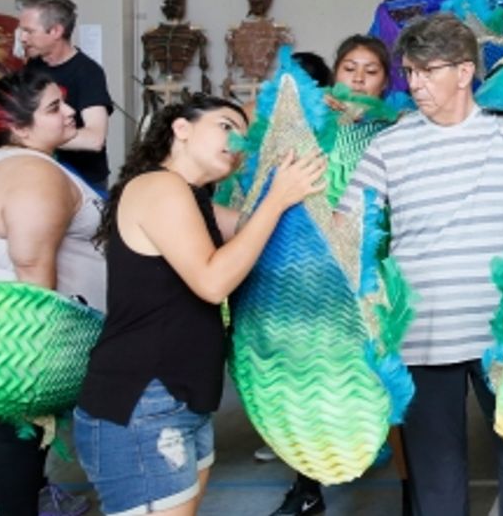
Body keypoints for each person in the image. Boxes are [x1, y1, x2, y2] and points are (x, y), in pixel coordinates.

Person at [338, 13, 503, 516]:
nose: (415, 84)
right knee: (436, 485)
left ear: (464, 72)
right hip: (420, 333)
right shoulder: (387, 145)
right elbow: (345, 229)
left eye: (426, 71)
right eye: (409, 73)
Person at [72, 95, 326, 516]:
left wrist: (307, 127)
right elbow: (213, 281)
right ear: (181, 128)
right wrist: (278, 198)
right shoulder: (158, 186)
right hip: (142, 402)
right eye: (226, 125)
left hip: (183, 399)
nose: (238, 140)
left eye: (244, 134)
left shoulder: (196, 201)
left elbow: (260, 232)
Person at [265, 35, 400, 516]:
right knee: (315, 375)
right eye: (350, 67)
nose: (359, 77)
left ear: (387, 82)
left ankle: (413, 490)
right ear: (335, 74)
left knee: (387, 375)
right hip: (315, 269)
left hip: (378, 268)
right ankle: (307, 487)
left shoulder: (399, 128)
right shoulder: (310, 126)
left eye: (371, 70)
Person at [0, 70, 108, 516]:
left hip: (24, 345)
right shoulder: (31, 172)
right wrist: (37, 365)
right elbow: (31, 265)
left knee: (15, 446)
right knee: (15, 442)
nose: (70, 111)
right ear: (20, 127)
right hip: (26, 347)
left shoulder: (20, 163)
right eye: (53, 108)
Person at [15, 0, 114, 192]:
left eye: (29, 31)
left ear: (56, 31)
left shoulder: (87, 72)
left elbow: (95, 139)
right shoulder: (32, 67)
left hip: (83, 182)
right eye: (21, 31)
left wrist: (35, 138)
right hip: (41, 176)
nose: (23, 38)